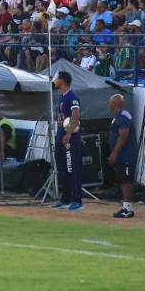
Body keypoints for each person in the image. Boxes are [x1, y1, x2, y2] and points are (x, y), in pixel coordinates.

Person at [51, 71, 83, 211]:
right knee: (63, 169)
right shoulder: (61, 98)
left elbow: (76, 116)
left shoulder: (72, 96)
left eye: (57, 79)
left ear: (62, 80)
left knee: (73, 169)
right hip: (60, 139)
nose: (55, 81)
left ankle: (77, 199)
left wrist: (69, 134)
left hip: (69, 140)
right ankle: (66, 198)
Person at [107, 94, 136, 218]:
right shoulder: (119, 117)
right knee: (123, 180)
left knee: (125, 181)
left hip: (126, 155)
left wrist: (115, 152)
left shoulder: (122, 117)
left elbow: (123, 135)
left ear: (115, 104)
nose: (109, 105)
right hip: (123, 155)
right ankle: (127, 207)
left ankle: (127, 208)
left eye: (110, 103)